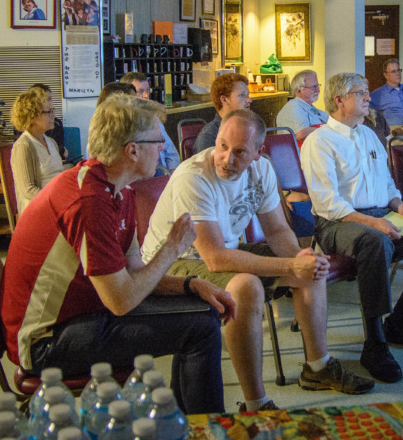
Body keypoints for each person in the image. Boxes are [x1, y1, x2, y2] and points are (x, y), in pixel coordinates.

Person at [1, 94, 233, 414]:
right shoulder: (88, 199)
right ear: (132, 149)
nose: (163, 148)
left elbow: (135, 273)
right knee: (201, 327)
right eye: (156, 140)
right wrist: (172, 248)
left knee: (200, 312)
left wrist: (189, 285)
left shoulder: (117, 189)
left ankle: (187, 427)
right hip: (46, 342)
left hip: (79, 316)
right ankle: (202, 434)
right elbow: (121, 300)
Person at [143, 110, 373, 410]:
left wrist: (300, 258)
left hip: (222, 251)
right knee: (246, 286)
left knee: (310, 266)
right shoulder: (194, 176)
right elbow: (214, 258)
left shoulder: (262, 170)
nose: (226, 158)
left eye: (239, 152)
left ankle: (318, 368)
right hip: (173, 261)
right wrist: (291, 266)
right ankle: (256, 403)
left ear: (257, 152)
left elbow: (277, 229)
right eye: (223, 146)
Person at [301, 73, 403, 384]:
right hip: (338, 223)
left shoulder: (369, 136)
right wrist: (374, 222)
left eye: (367, 93)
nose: (368, 98)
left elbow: (386, 183)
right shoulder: (319, 141)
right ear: (339, 100)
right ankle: (374, 343)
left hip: (381, 214)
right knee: (376, 242)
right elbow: (328, 202)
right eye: (360, 93)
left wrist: (398, 205)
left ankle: (398, 321)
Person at [9, 86, 65, 214]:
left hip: (55, 208)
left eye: (53, 110)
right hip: (37, 213)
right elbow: (29, 190)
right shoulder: (24, 146)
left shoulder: (51, 142)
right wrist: (58, 202)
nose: (54, 116)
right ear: (32, 116)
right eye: (49, 112)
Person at [120, 72, 180, 172]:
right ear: (128, 95)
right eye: (140, 91)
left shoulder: (154, 119)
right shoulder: (123, 125)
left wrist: (171, 177)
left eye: (148, 90)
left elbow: (172, 154)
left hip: (162, 178)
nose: (146, 95)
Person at [194, 73, 252, 152]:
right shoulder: (209, 137)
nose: (249, 100)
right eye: (242, 95)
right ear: (224, 100)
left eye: (248, 95)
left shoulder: (248, 130)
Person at [276, 70, 328, 141]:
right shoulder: (293, 106)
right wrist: (327, 130)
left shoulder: (315, 110)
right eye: (313, 87)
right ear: (298, 90)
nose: (318, 90)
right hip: (299, 151)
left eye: (318, 86)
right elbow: (301, 134)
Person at [369, 58, 403, 127]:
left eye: (398, 70)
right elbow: (370, 117)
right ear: (386, 75)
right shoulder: (377, 94)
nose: (398, 74)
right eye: (393, 71)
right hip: (394, 131)